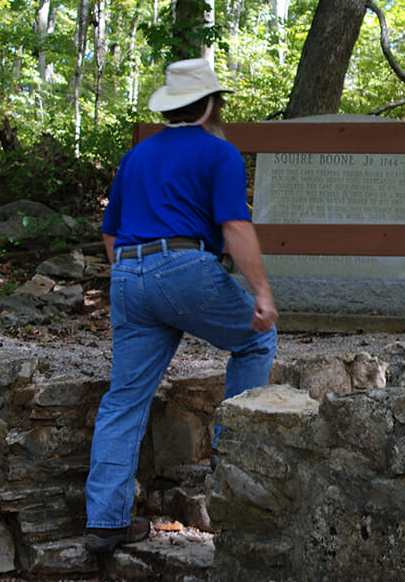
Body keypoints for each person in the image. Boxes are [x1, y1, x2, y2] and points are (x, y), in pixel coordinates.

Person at [83, 58, 278, 555]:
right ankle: (231, 461)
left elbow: (110, 232)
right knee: (257, 338)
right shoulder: (221, 154)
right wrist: (261, 292)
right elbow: (235, 229)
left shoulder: (137, 155)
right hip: (184, 267)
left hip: (127, 272)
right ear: (211, 105)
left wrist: (140, 278)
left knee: (124, 397)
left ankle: (105, 522)